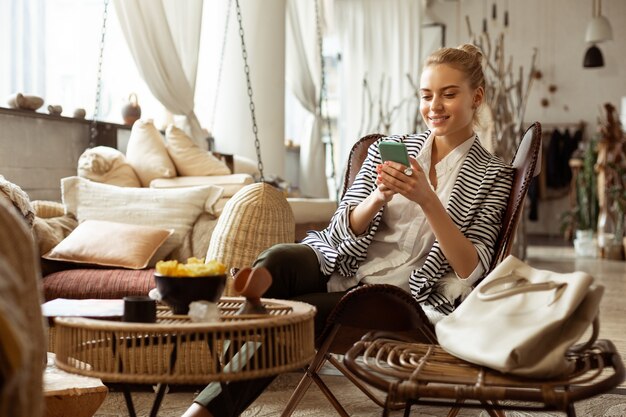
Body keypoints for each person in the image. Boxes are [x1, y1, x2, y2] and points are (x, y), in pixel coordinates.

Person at [182, 43, 514, 417]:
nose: (434, 106)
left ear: (476, 97)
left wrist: (428, 200)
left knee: (294, 316)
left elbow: (471, 268)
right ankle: (226, 374)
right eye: (426, 95)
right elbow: (341, 230)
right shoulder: (391, 150)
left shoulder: (493, 176)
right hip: (342, 264)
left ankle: (204, 411)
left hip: (400, 297)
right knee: (276, 260)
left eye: (449, 94)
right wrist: (377, 197)